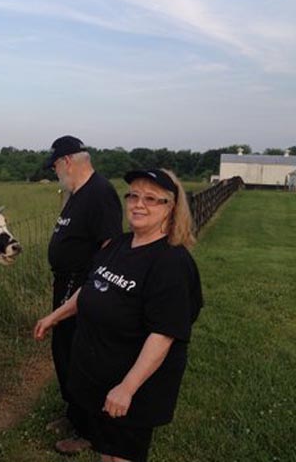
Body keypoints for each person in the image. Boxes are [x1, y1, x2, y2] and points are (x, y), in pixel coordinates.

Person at [35, 168, 203, 462]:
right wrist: (56, 316)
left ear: (171, 208)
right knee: (106, 451)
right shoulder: (119, 245)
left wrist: (128, 387)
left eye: (152, 199)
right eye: (134, 196)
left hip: (134, 385)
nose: (139, 204)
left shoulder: (171, 262)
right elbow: (92, 287)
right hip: (101, 376)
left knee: (121, 456)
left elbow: (163, 334)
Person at [44, 135, 123, 454]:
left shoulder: (100, 194)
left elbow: (109, 247)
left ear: (67, 162)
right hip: (65, 282)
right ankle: (74, 413)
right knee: (63, 349)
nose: (53, 173)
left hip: (83, 286)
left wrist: (92, 289)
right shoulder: (77, 193)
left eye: (54, 167)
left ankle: (88, 430)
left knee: (81, 355)